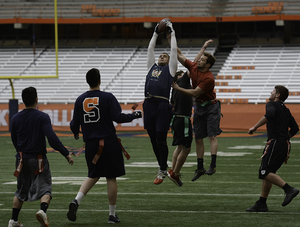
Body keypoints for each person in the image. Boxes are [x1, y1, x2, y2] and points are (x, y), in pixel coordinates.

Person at [67, 68, 142, 224]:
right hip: (108, 142)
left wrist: (75, 133)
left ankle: (76, 201)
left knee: (93, 175)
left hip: (91, 144)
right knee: (110, 177)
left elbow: (74, 123)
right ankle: (112, 215)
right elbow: (118, 117)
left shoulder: (80, 99)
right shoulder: (107, 97)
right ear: (100, 80)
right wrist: (134, 115)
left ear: (87, 81)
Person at [8, 87, 74, 227]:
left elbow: (14, 139)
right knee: (45, 188)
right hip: (38, 159)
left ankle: (13, 220)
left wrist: (21, 152)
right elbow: (52, 139)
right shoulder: (42, 117)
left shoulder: (15, 118)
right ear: (36, 99)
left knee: (20, 191)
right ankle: (43, 211)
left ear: (23, 101)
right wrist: (66, 153)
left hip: (21, 159)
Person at [172, 39, 222, 181]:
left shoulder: (209, 78)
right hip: (200, 106)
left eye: (202, 60)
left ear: (208, 65)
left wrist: (178, 88)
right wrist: (172, 40)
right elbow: (180, 55)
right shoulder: (194, 68)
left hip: (211, 106)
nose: (198, 60)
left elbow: (194, 93)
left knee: (212, 136)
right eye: (199, 59)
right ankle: (200, 167)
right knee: (198, 138)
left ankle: (212, 165)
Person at [246, 85, 299, 212]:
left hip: (275, 143)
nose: (270, 92)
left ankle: (289, 189)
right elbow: (295, 128)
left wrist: (255, 127)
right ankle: (262, 203)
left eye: (273, 91)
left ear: (277, 95)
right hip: (284, 144)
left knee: (264, 171)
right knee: (269, 173)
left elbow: (269, 115)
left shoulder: (271, 104)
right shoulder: (286, 110)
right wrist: (285, 138)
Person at [143, 20, 178, 185]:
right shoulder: (152, 67)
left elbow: (173, 50)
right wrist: (155, 33)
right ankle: (162, 167)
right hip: (148, 105)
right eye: (161, 55)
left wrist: (172, 32)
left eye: (165, 56)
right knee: (152, 139)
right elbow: (150, 48)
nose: (162, 56)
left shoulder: (170, 70)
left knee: (160, 139)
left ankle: (162, 170)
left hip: (162, 105)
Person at [168, 70, 193, 186]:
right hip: (183, 119)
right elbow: (191, 68)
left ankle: (172, 171)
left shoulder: (175, 90)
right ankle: (175, 173)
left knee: (179, 147)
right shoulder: (182, 83)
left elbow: (172, 104)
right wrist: (202, 50)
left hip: (177, 119)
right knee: (186, 148)